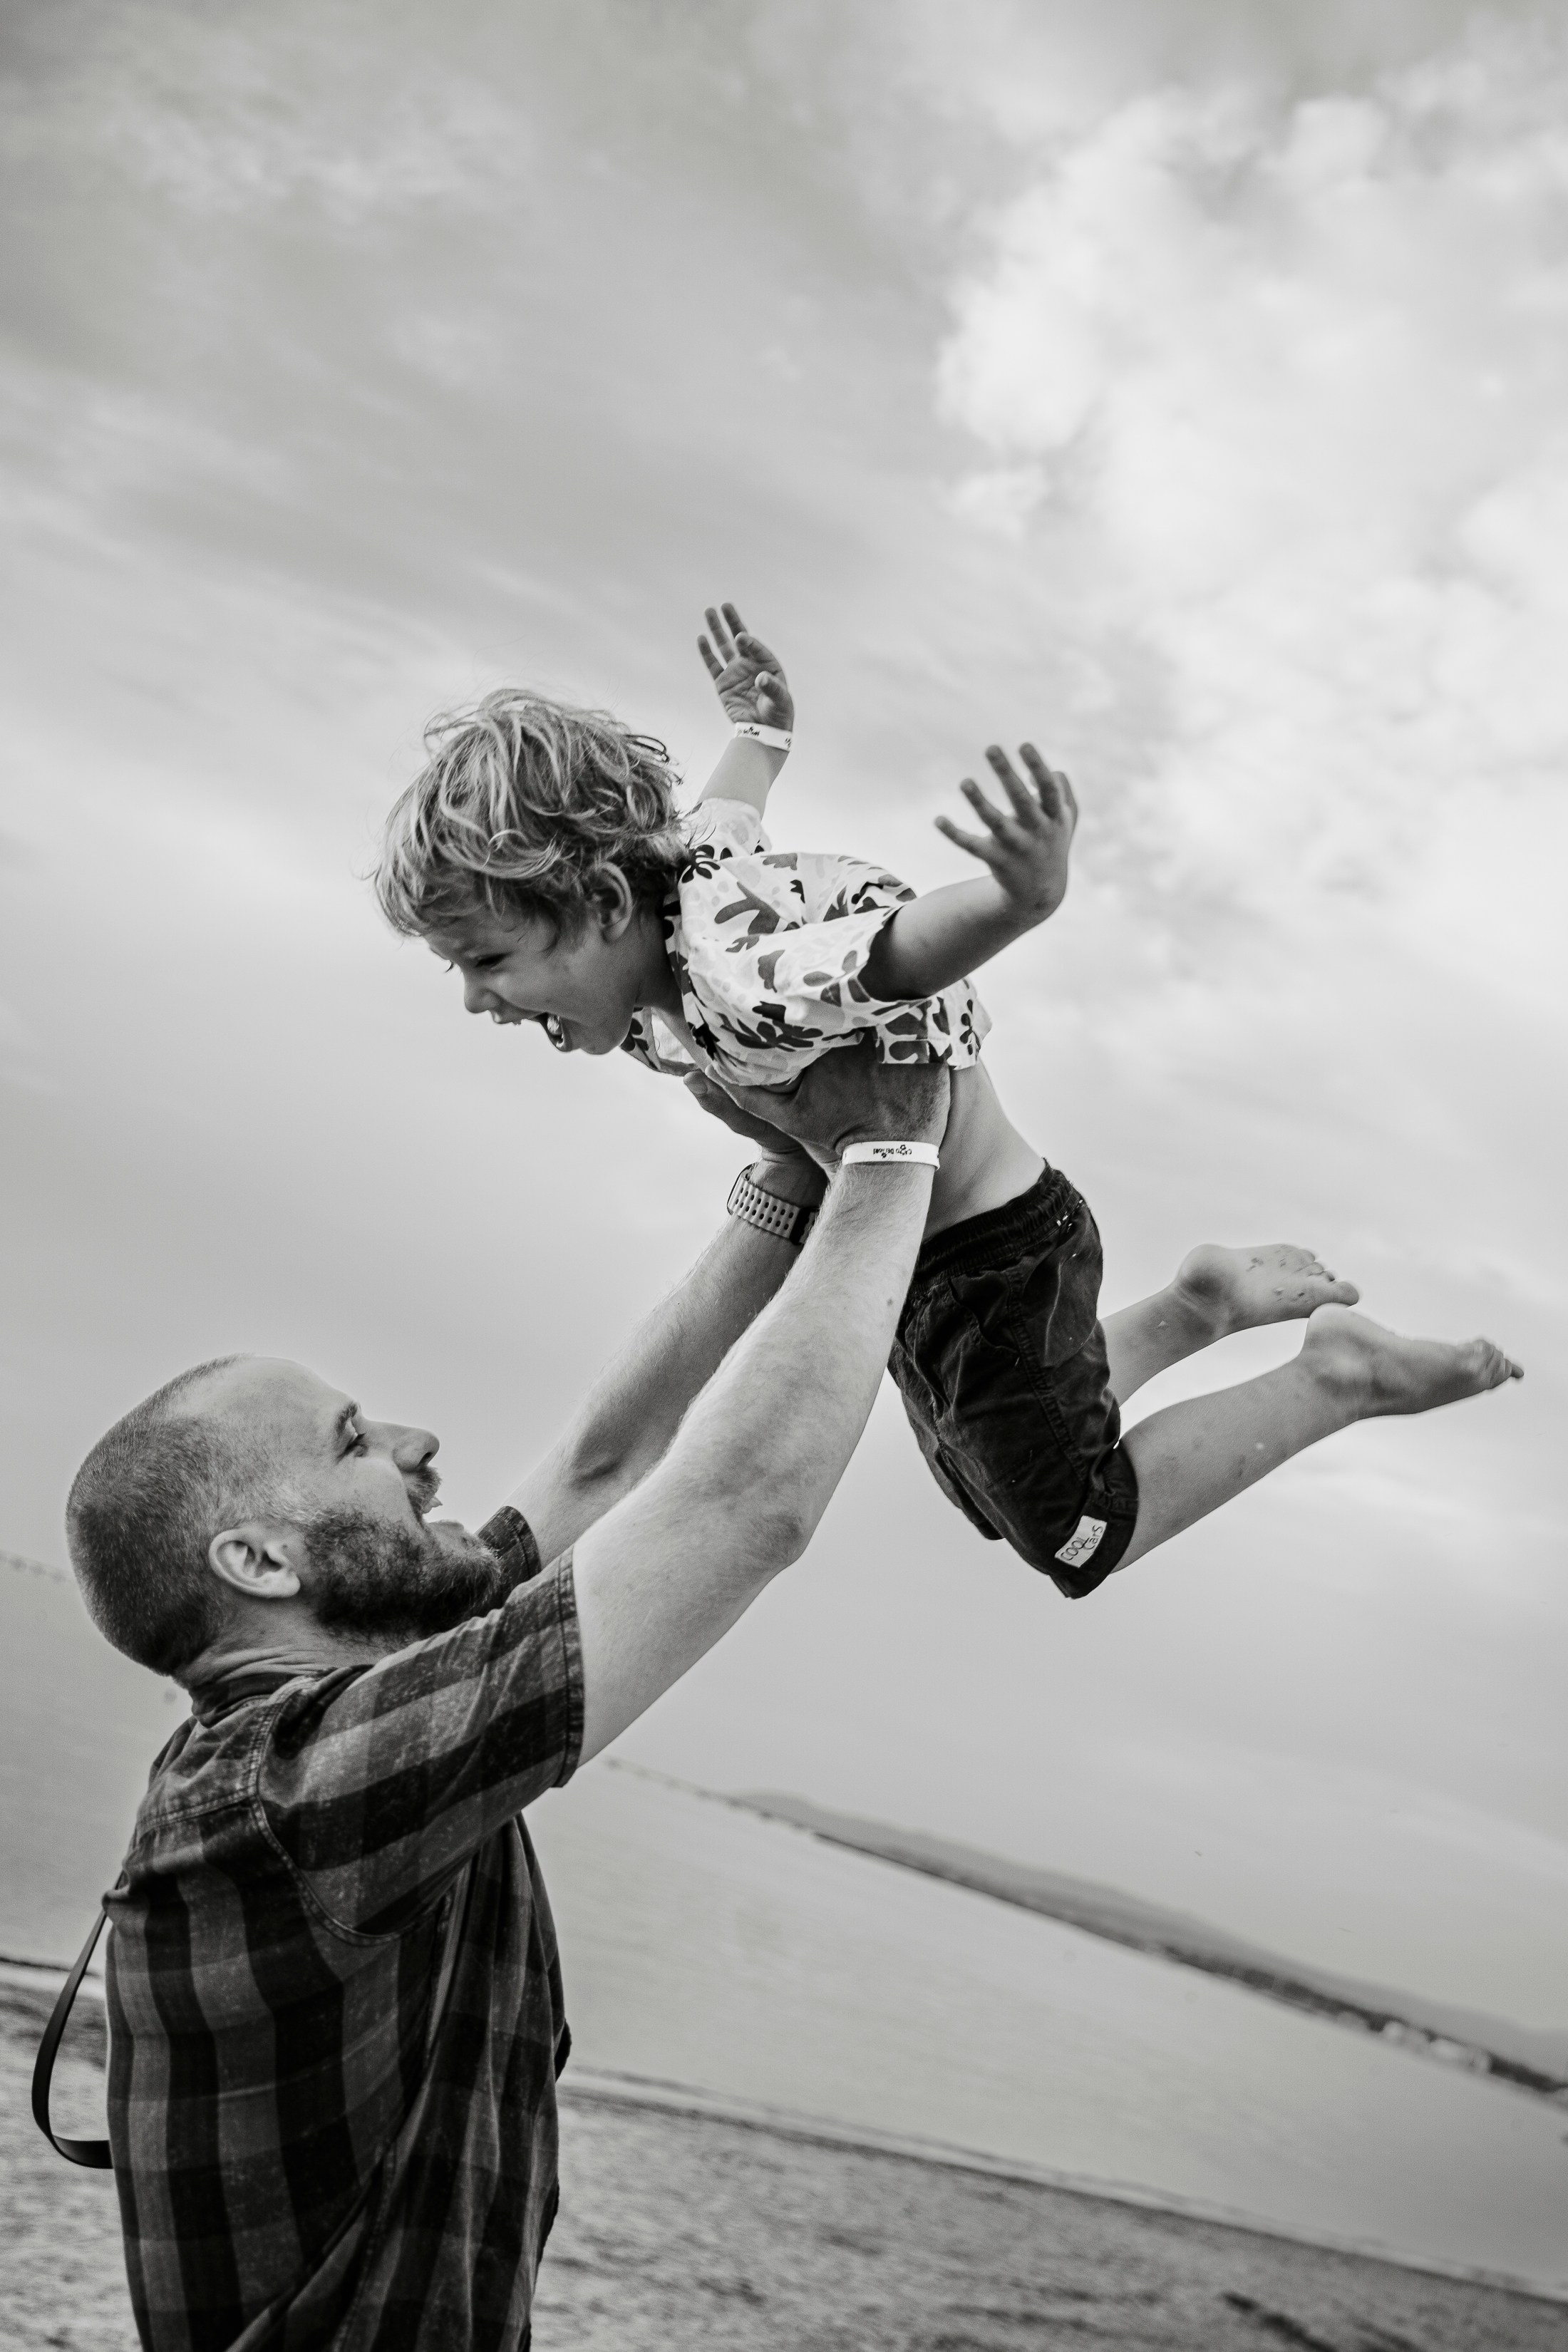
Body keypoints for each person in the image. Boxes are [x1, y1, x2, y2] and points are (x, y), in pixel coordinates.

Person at [65, 1048, 949, 2352]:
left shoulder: (365, 1693)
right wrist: (892, 1149)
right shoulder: (303, 1788)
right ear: (259, 1562)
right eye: (355, 1443)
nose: (418, 1446)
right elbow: (740, 1511)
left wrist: (781, 1178)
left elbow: (603, 1463)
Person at [373, 607, 1522, 1600]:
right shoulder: (677, 904)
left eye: (491, 960)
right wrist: (761, 730)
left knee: (1081, 1534)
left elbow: (887, 955)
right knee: (992, 1482)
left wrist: (1015, 902)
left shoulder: (735, 963)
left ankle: (1338, 1377)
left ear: (609, 902)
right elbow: (728, 811)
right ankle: (1196, 1306)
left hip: (994, 1254)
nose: (479, 999)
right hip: (925, 1256)